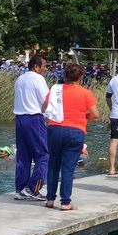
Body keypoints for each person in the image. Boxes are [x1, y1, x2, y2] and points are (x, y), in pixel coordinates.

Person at [43, 63, 99, 210]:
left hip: (55, 128)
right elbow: (96, 114)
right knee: (68, 168)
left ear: (65, 75)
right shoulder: (85, 93)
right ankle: (65, 202)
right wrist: (83, 116)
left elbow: (44, 108)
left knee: (53, 165)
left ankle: (50, 199)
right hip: (75, 130)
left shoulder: (55, 90)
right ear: (81, 77)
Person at [12, 54, 50, 200]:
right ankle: (33, 187)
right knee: (43, 154)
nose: (46, 69)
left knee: (23, 155)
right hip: (34, 118)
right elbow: (46, 100)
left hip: (20, 118)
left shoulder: (20, 78)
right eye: (44, 66)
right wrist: (48, 115)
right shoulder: (38, 79)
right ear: (36, 67)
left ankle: (20, 189)